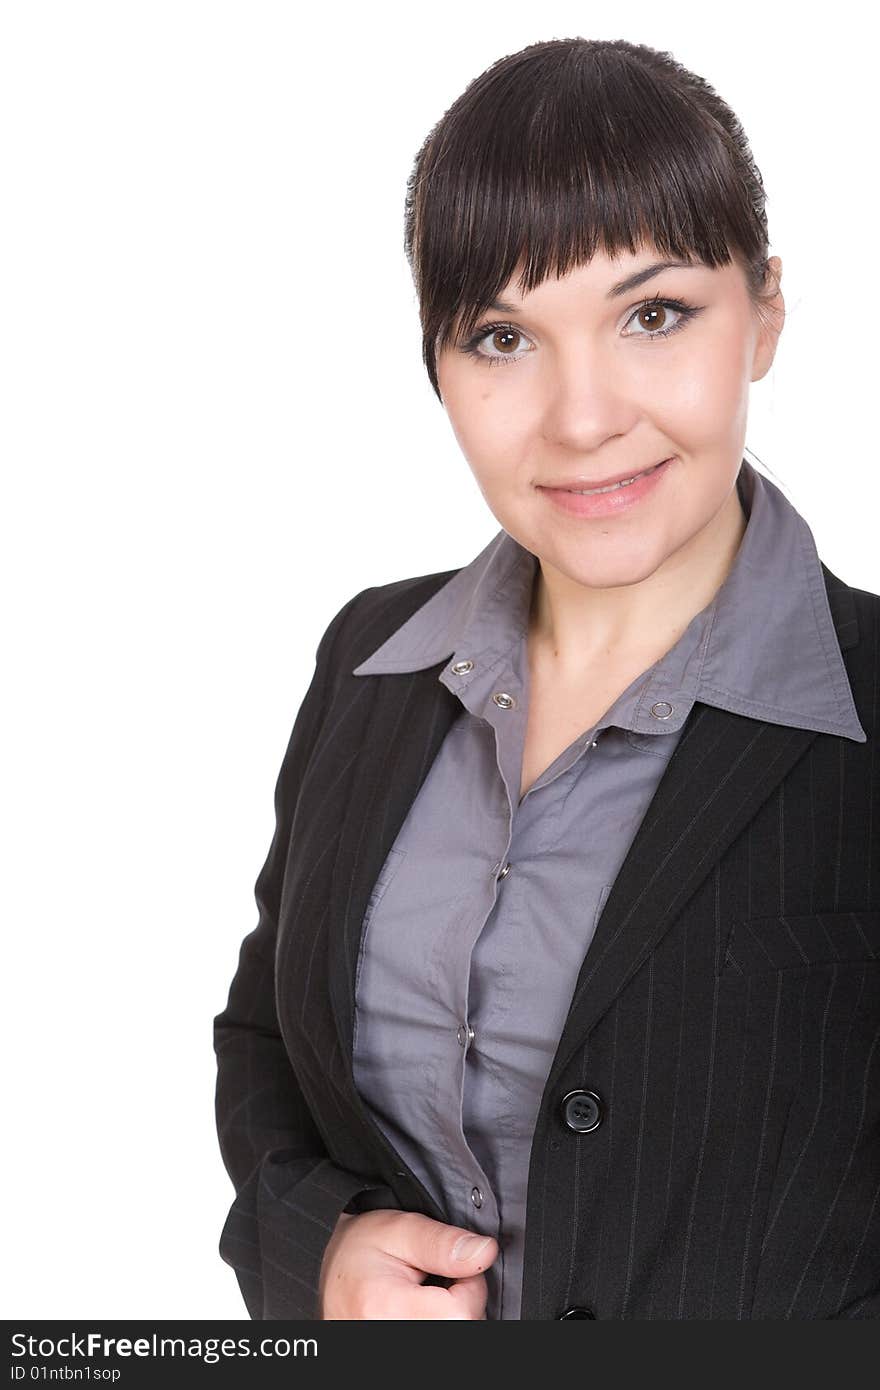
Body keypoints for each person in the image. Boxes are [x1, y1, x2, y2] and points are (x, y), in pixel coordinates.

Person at [213, 36, 880, 1320]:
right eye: (504, 337)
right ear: (437, 366)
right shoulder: (369, 659)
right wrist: (322, 1254)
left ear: (767, 314)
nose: (581, 418)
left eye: (653, 315)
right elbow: (265, 1046)